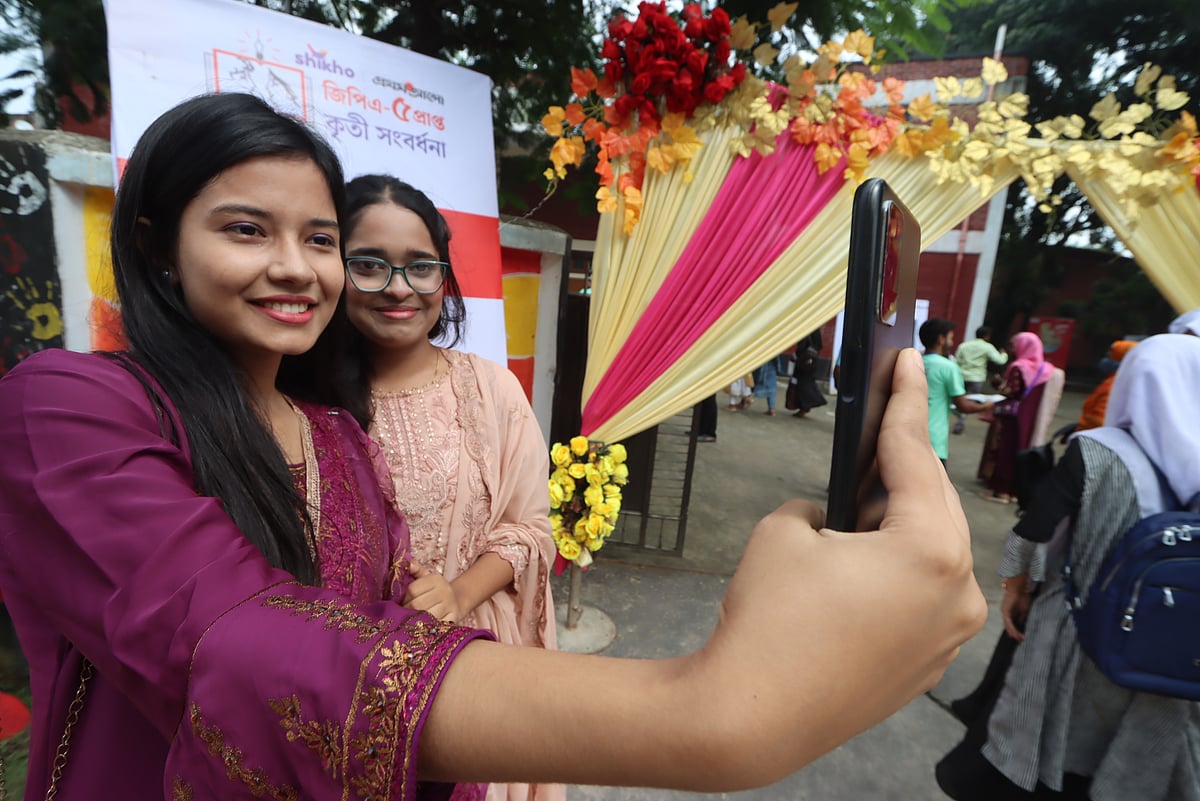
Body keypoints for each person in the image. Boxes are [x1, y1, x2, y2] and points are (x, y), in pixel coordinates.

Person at [0, 92, 987, 799]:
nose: (297, 268)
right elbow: (236, 640)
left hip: (445, 709)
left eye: (319, 239)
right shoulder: (72, 406)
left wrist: (462, 611)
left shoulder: (354, 431)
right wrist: (709, 711)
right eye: (248, 230)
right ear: (156, 245)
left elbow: (510, 536)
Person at [338, 175, 560, 801]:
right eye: (370, 265)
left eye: (419, 267)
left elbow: (528, 528)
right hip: (344, 681)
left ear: (443, 276)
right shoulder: (299, 399)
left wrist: (459, 594)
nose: (399, 288)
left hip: (475, 662)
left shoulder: (492, 390)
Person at [936, 333, 1200, 801]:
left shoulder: (1097, 449)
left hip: (1080, 632)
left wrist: (1016, 589)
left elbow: (1032, 529)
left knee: (1040, 734)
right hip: (1174, 650)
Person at [976, 331, 1064, 503]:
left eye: (1015, 345)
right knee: (1021, 450)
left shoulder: (1019, 366)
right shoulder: (1046, 369)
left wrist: (998, 385)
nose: (1013, 349)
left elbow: (1012, 392)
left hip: (1012, 418)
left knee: (1006, 451)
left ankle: (1002, 492)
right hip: (1030, 418)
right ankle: (1016, 491)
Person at [919, 319, 993, 467]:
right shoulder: (949, 367)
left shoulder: (916, 361)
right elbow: (962, 406)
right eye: (951, 338)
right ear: (941, 339)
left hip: (912, 433)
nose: (952, 343)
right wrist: (985, 406)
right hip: (934, 440)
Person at [951, 325, 1008, 434]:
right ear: (987, 336)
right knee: (969, 401)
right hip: (976, 378)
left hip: (962, 376)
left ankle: (958, 417)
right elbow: (1000, 361)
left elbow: (956, 361)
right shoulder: (987, 347)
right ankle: (960, 423)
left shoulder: (964, 345)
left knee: (958, 400)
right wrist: (1004, 354)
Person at [1075, 340, 1137, 432]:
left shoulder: (1114, 386)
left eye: (1110, 356)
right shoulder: (1121, 381)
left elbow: (1099, 421)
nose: (1106, 360)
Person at [786, 330, 828, 418]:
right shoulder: (814, 332)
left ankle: (805, 406)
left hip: (804, 363)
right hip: (808, 363)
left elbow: (805, 347)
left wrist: (798, 356)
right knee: (804, 384)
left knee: (803, 386)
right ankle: (804, 407)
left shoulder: (810, 331)